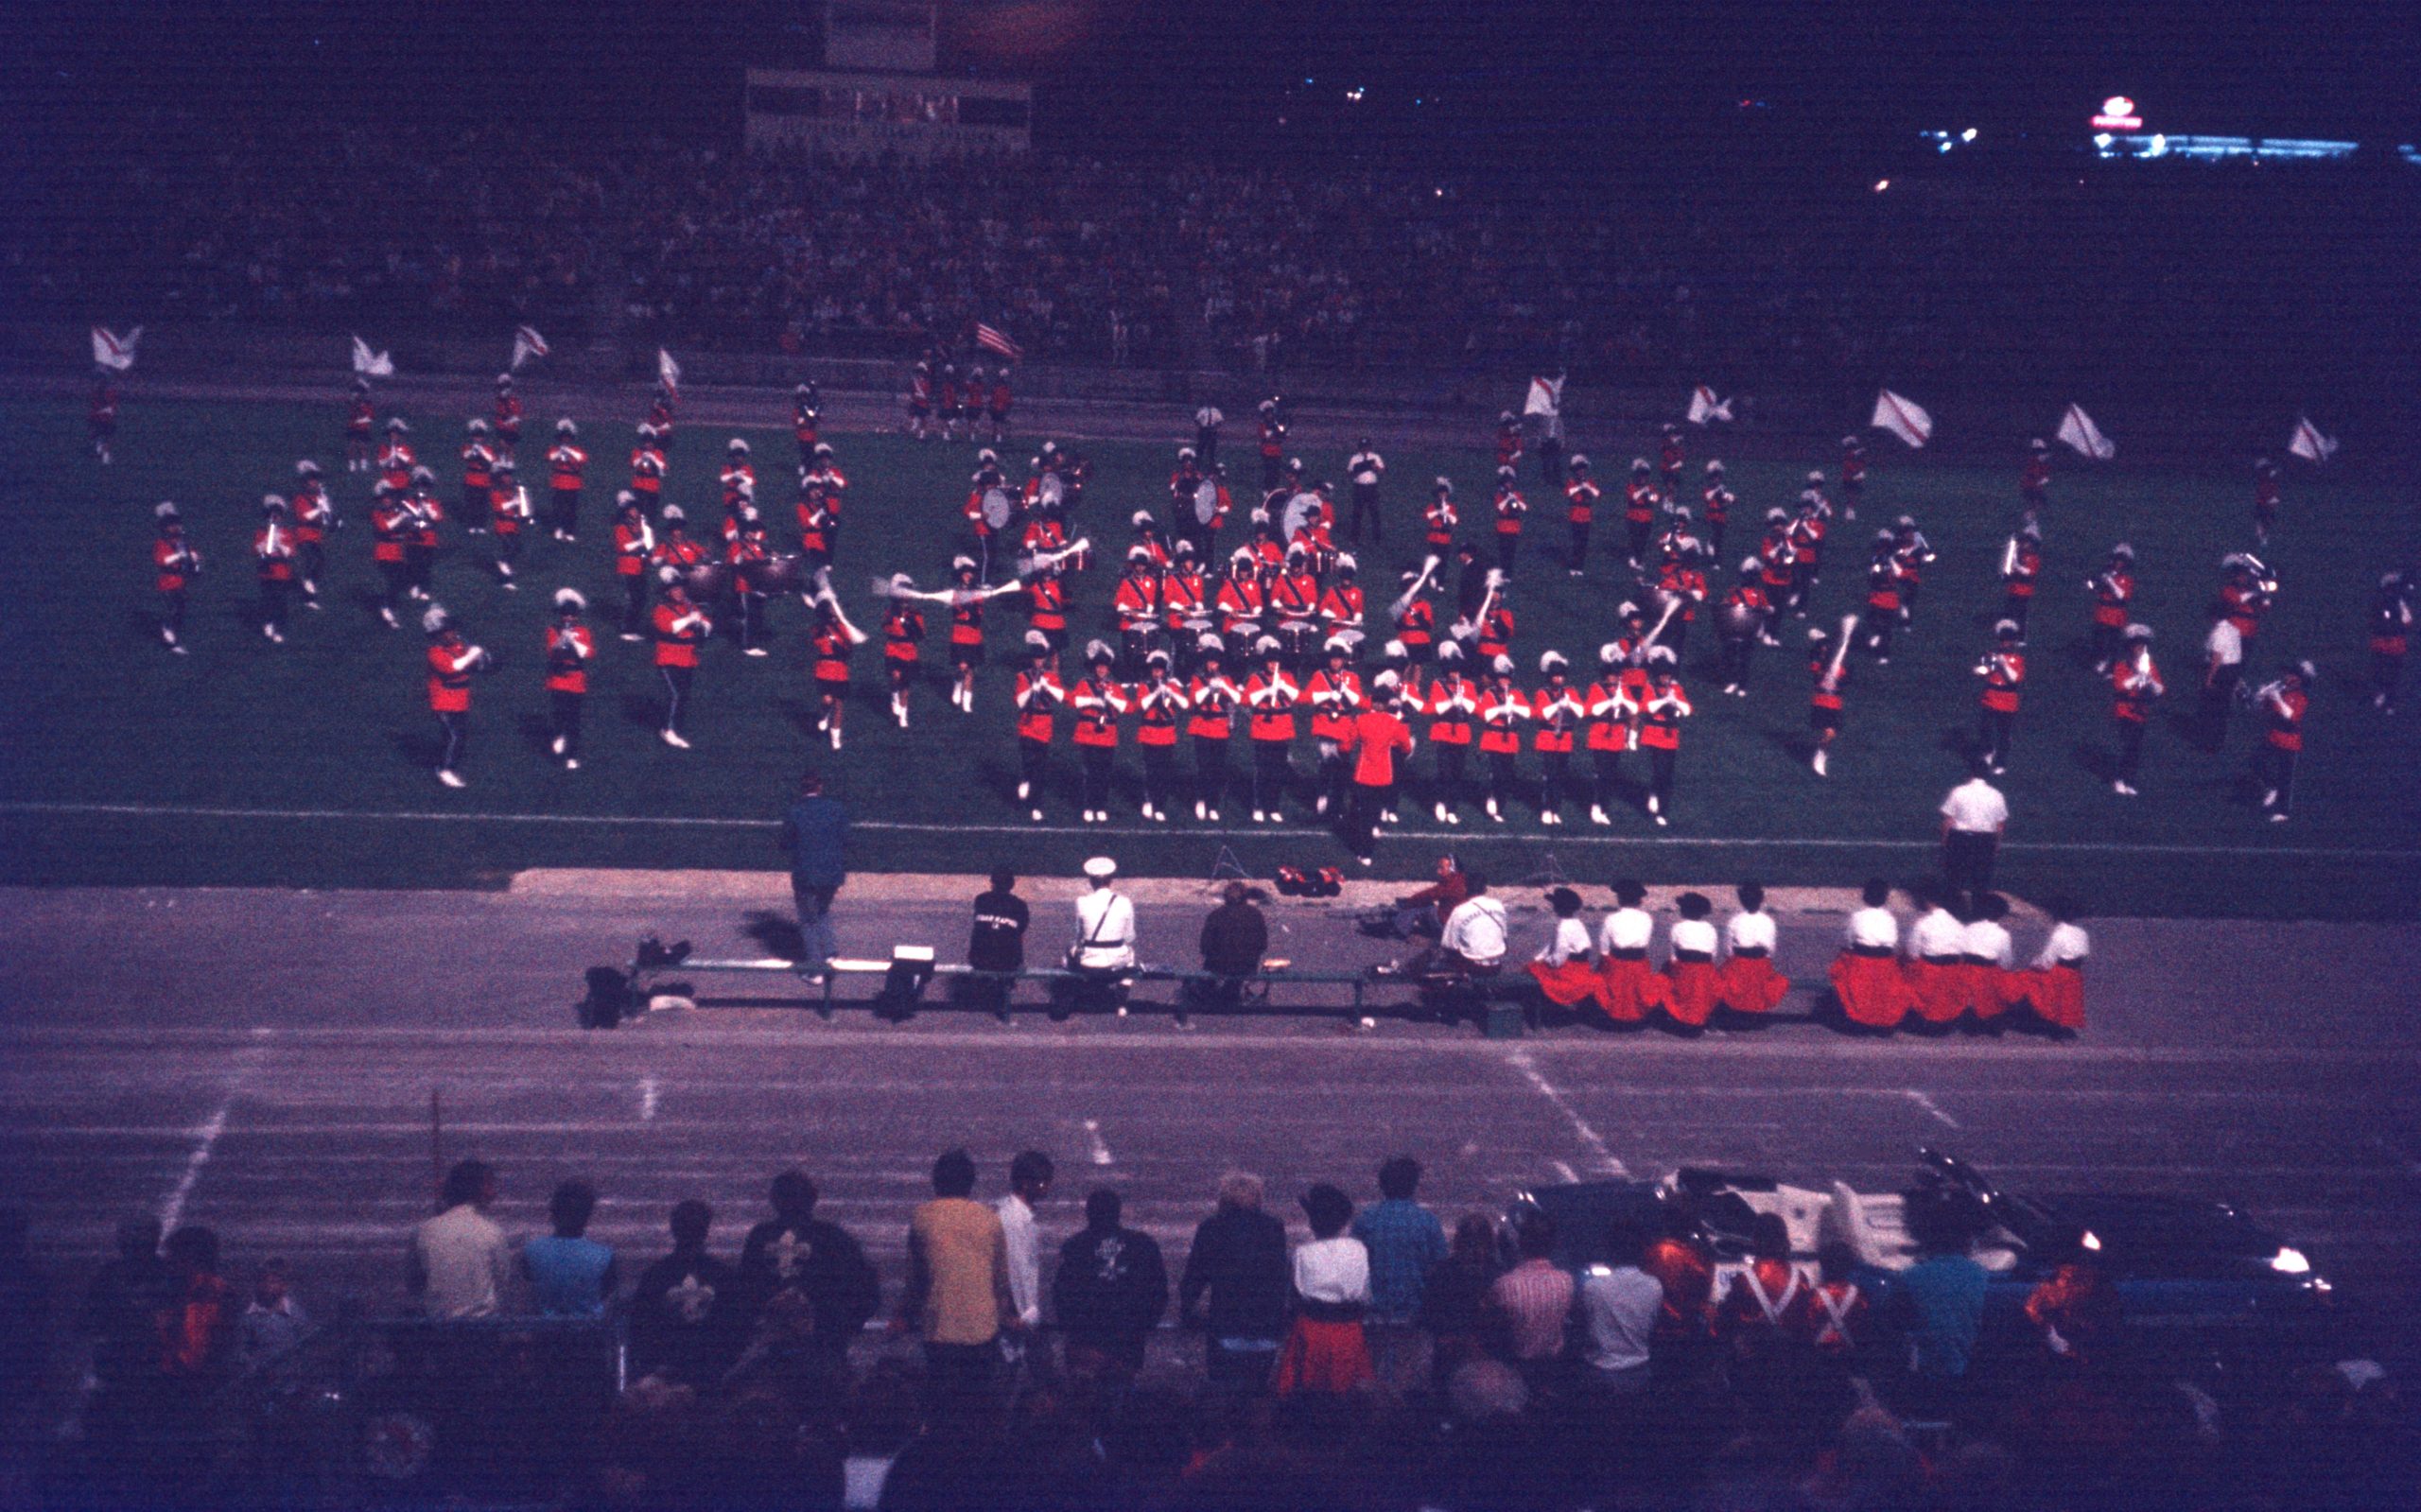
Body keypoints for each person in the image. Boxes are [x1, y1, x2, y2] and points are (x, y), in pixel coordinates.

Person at [894, 1148, 1018, 1416]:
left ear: (936, 1181)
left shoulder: (924, 1216)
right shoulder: (989, 1218)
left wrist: (903, 1316)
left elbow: (917, 1280)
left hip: (941, 1328)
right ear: (971, 1183)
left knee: (943, 1404)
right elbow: (1001, 1282)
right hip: (982, 1328)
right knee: (978, 1402)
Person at [736, 1170, 880, 1372]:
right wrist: (843, 1327)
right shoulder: (833, 1237)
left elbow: (743, 1295)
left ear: (774, 1200)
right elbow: (867, 1291)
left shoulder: (760, 1237)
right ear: (813, 1198)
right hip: (824, 1347)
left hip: (776, 1348)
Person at [1178, 1172, 1291, 1390]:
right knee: (1257, 1389)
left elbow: (1195, 1274)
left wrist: (1187, 1308)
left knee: (1224, 1390)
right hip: (1264, 1323)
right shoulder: (1273, 1227)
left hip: (1225, 1322)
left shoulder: (1211, 1227)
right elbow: (1280, 1275)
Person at [1052, 1189, 1168, 1385]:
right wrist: (1142, 1328)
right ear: (1118, 1212)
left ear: (1088, 1213)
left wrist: (1074, 1332)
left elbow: (1061, 1296)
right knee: (1121, 1398)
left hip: (1085, 1342)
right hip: (1128, 1343)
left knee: (1085, 1403)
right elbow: (1158, 1292)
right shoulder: (1143, 1244)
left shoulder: (1074, 1246)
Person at [1890, 1192, 1988, 1419]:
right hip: (1968, 1386)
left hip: (1925, 1385)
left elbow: (1893, 1330)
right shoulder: (1984, 1278)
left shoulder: (1909, 1278)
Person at [1274, 1184, 1372, 1396]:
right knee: (1349, 1392)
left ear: (1312, 1222)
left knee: (1307, 1390)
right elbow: (1365, 1296)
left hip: (1312, 1328)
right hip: (1349, 1329)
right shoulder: (1358, 1249)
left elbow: (1295, 1296)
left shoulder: (1302, 1253)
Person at [630, 1200, 740, 1388]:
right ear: (706, 1231)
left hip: (665, 1369)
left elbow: (640, 1327)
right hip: (711, 1369)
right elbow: (734, 1328)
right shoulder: (724, 1275)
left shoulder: (656, 1274)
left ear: (673, 1229)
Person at [409, 1158, 514, 1319]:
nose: (494, 1193)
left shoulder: (423, 1231)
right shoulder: (493, 1232)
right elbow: (502, 1283)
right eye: (490, 1186)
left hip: (437, 1328)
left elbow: (415, 1284)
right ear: (478, 1190)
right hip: (483, 1328)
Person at [1486, 1210, 1573, 1392]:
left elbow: (1490, 1329)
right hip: (1553, 1371)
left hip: (1516, 1369)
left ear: (1521, 1243)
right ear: (1552, 1244)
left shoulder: (1505, 1285)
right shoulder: (1566, 1281)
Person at [1340, 678, 1415, 864]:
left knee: (1362, 812)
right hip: (1384, 774)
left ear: (1372, 702)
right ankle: (1374, 829)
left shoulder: (1361, 720)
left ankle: (1364, 853)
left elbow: (1346, 746)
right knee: (1375, 810)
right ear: (1387, 703)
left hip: (1363, 773)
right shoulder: (1393, 723)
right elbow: (1406, 747)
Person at [781, 772, 849, 970]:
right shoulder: (836, 809)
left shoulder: (795, 811)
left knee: (807, 920)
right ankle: (830, 952)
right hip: (832, 873)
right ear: (820, 787)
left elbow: (785, 843)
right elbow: (846, 839)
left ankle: (815, 968)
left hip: (806, 874)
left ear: (802, 789)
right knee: (823, 911)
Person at [522, 1179, 618, 1317]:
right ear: (587, 1214)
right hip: (588, 1333)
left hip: (544, 1332)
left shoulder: (532, 1251)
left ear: (553, 1212)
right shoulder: (604, 1256)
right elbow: (606, 1293)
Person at [1828, 878, 1911, 1032]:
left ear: (1865, 896)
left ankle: (1856, 1016)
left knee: (1841, 967)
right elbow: (1892, 943)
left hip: (1861, 961)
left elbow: (1849, 942)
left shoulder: (1857, 917)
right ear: (1885, 898)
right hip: (1884, 963)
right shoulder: (1890, 919)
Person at [997, 1151, 1055, 1345]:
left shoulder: (1018, 1216)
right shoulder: (1013, 1220)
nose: (1046, 1188)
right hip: (1018, 1321)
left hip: (1022, 1317)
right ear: (1025, 1184)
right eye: (1042, 1183)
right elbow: (1013, 1271)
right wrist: (1016, 1315)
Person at [1070, 856, 1139, 1017]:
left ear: (1091, 881)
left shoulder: (1081, 902)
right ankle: (1121, 1004)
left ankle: (1076, 994)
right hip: (1117, 961)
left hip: (1089, 961)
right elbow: (1129, 937)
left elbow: (1079, 935)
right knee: (1130, 955)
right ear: (1111, 880)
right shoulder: (1125, 902)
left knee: (1068, 953)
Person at [1595, 878, 1671, 1025]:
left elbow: (1604, 950)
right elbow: (1646, 942)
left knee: (1599, 976)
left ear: (1619, 899)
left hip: (1616, 964)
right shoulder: (1646, 918)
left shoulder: (1610, 919)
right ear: (1640, 900)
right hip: (1639, 963)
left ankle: (1609, 1012)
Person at [1194, 881, 1268, 1021]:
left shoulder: (1216, 915)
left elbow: (1204, 947)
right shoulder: (1256, 915)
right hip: (1247, 966)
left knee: (1208, 976)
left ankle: (1214, 993)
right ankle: (1230, 991)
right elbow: (1262, 944)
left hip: (1218, 966)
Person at [1940, 761, 2008, 909]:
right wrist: (1996, 845)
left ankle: (1955, 910)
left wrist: (1945, 842)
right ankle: (1979, 912)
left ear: (1970, 773)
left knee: (1954, 879)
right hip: (1985, 840)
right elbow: (2000, 825)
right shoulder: (1997, 795)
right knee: (1981, 881)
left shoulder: (1958, 791)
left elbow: (1948, 820)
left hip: (1960, 839)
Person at [1526, 885, 1603, 1016]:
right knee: (1535, 964)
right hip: (1583, 966)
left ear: (1557, 908)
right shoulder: (1577, 923)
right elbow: (1552, 945)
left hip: (1570, 969)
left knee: (1532, 969)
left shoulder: (1563, 927)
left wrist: (1545, 961)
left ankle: (1538, 1008)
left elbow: (1559, 957)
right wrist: (1540, 957)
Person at [1717, 881, 1788, 1020]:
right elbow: (1770, 951)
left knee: (1721, 976)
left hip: (1738, 965)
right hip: (1761, 965)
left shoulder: (1734, 921)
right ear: (1761, 899)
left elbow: (1728, 951)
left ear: (1741, 900)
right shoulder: (1768, 921)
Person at [965, 868, 1029, 1020]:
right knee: (1011, 939)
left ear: (992, 883)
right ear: (1012, 885)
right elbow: (1021, 929)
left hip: (978, 958)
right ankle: (1003, 986)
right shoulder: (1020, 905)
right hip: (1008, 962)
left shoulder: (980, 899)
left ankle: (984, 985)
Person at [2021, 895, 2090, 1035]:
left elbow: (2047, 960)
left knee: (2027, 980)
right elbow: (2084, 953)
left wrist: (2034, 964)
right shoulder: (2082, 933)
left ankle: (2044, 1018)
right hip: (2075, 972)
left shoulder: (2058, 934)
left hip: (2060, 971)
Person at [2254, 660, 2313, 822]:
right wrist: (2260, 697)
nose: (2286, 677)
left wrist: (2277, 698)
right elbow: (2262, 709)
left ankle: (2283, 811)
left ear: (2298, 678)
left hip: (2290, 741)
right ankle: (2272, 787)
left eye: (2290, 674)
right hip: (2274, 736)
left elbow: (2291, 716)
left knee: (2286, 778)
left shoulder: (2301, 696)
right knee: (2257, 762)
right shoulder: (2283, 691)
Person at [2111, 623, 2164, 795]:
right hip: (2124, 710)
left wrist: (2150, 681)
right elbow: (2120, 685)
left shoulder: (2149, 667)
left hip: (2141, 712)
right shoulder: (2121, 665)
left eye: (2143, 646)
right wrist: (2136, 678)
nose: (2140, 649)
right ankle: (2119, 779)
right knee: (2127, 745)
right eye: (2137, 646)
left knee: (2136, 748)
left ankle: (2130, 781)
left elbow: (2161, 690)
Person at [544, 589, 593, 771]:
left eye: (572, 616)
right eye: (565, 615)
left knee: (574, 719)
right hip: (558, 678)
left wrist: (573, 641)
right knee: (559, 712)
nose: (569, 619)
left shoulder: (583, 632)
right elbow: (552, 652)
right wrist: (562, 640)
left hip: (576, 679)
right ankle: (558, 734)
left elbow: (587, 653)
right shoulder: (553, 630)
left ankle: (572, 755)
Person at [1663, 891, 1721, 1029]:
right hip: (1705, 968)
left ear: (1684, 910)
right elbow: (1713, 955)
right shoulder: (1710, 928)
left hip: (1684, 967)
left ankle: (1672, 1013)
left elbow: (1673, 957)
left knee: (1663, 978)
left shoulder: (1677, 927)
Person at [2200, 604, 2245, 752]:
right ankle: (2219, 741)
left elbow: (2217, 657)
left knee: (2212, 708)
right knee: (2224, 707)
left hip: (2221, 672)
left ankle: (2208, 742)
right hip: (2233, 670)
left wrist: (2209, 678)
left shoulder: (2218, 633)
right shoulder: (2234, 630)